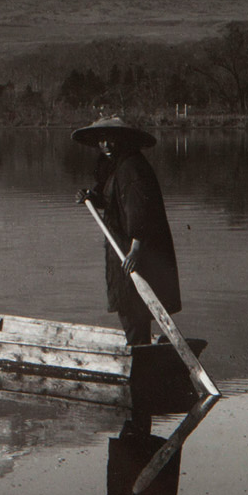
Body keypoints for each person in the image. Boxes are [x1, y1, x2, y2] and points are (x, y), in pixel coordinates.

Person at [74, 116, 180, 348]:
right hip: (123, 247)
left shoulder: (131, 168)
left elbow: (139, 211)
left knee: (132, 309)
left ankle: (139, 358)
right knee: (132, 309)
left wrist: (135, 250)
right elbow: (113, 199)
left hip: (132, 252)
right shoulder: (115, 166)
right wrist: (92, 197)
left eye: (111, 139)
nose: (106, 145)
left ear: (123, 140)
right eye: (101, 140)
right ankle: (140, 353)